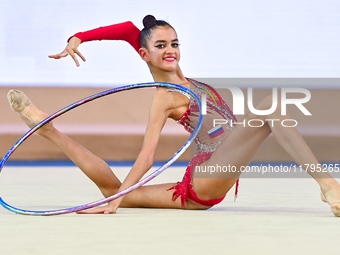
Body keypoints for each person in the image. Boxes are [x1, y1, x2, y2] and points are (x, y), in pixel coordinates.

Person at [8, 15, 340, 216]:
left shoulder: (187, 81)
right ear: (144, 54)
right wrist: (116, 204)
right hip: (209, 173)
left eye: (175, 43)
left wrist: (80, 38)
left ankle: (46, 128)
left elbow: (128, 29)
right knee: (273, 107)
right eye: (161, 46)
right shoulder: (165, 98)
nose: (171, 50)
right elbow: (147, 155)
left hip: (199, 186)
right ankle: (328, 185)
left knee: (115, 192)